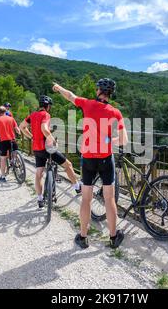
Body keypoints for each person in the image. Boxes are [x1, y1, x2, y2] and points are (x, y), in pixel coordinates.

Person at [52, 78, 128, 249]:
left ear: (98, 91)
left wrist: (58, 88)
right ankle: (113, 237)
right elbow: (123, 140)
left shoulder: (87, 104)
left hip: (88, 158)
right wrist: (109, 140)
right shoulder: (116, 112)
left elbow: (70, 96)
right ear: (110, 94)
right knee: (109, 199)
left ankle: (83, 237)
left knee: (86, 199)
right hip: (105, 158)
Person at [19, 95, 82, 208]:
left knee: (39, 173)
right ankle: (77, 187)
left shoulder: (32, 115)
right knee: (68, 165)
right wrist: (53, 140)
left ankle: (40, 199)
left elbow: (22, 127)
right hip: (47, 148)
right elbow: (44, 128)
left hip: (36, 148)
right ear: (48, 106)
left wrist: (32, 137)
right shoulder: (46, 114)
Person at [0, 106, 21, 182]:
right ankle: (16, 165)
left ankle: (3, 176)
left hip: (4, 141)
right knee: (15, 153)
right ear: (5, 111)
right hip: (12, 140)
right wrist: (19, 133)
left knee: (3, 158)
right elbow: (17, 129)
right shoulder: (11, 119)